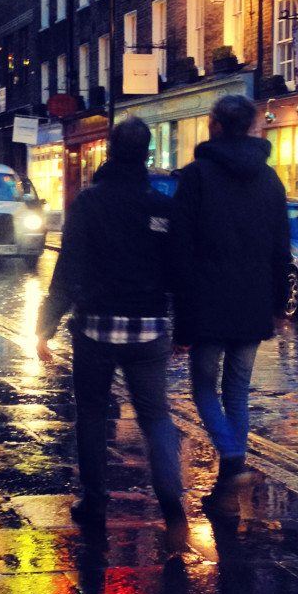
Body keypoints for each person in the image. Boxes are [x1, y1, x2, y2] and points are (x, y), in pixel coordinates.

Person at [36, 117, 187, 548]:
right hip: (150, 327)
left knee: (91, 414)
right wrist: (185, 326)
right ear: (147, 154)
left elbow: (69, 268)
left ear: (110, 151)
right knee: (156, 415)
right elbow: (180, 270)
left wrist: (45, 324)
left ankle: (96, 500)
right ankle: (171, 502)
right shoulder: (162, 207)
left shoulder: (89, 203)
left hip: (96, 327)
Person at [171, 94, 292, 516]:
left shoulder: (197, 176)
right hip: (253, 304)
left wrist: (181, 324)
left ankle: (232, 458)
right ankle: (228, 485)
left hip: (207, 307)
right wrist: (279, 306)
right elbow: (282, 250)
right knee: (237, 390)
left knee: (204, 387)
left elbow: (180, 254)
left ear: (217, 125)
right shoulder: (271, 180)